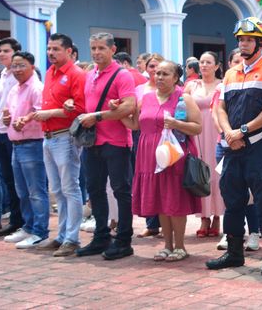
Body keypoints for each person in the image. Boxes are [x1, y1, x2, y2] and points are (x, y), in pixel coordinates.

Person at [205, 17, 262, 277]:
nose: (243, 43)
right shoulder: (230, 72)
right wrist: (229, 133)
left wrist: (243, 131)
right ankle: (234, 252)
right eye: (241, 39)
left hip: (260, 149)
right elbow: (220, 107)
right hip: (233, 148)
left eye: (249, 39)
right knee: (232, 200)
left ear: (261, 42)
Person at [125, 60, 202, 262]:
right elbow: (134, 125)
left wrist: (176, 123)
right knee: (160, 199)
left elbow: (197, 127)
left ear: (176, 78)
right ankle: (167, 245)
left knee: (174, 199)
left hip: (173, 154)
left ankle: (180, 246)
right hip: (149, 155)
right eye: (157, 73)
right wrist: (116, 111)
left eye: (165, 74)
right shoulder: (147, 98)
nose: (159, 77)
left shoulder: (183, 98)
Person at [75, 32, 137, 260]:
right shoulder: (89, 75)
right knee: (95, 190)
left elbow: (129, 107)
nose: (96, 53)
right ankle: (101, 236)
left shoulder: (123, 76)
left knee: (121, 191)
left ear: (112, 50)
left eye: (101, 48)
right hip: (92, 143)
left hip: (116, 142)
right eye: (93, 48)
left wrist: (98, 116)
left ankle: (124, 240)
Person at [31, 34, 86, 257]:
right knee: (57, 190)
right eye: (49, 49)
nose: (51, 53)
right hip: (49, 136)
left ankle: (72, 238)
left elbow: (81, 109)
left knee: (70, 188)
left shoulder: (76, 74)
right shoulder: (50, 73)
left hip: (66, 137)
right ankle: (62, 235)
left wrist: (50, 113)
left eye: (56, 49)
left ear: (69, 51)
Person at [211, 49, 262, 252]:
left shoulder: (256, 82)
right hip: (224, 145)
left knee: (250, 194)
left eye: (242, 60)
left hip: (248, 144)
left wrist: (239, 135)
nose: (239, 63)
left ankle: (253, 232)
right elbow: (218, 113)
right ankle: (232, 234)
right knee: (230, 191)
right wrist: (229, 136)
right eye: (235, 61)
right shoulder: (224, 84)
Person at [2, 52, 48, 249]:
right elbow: (9, 115)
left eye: (21, 65)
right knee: (22, 191)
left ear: (31, 66)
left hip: (33, 145)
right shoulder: (14, 89)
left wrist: (26, 119)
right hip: (17, 145)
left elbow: (41, 113)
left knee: (36, 191)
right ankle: (28, 227)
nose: (17, 70)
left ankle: (40, 231)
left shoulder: (37, 88)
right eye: (14, 66)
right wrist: (7, 121)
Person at [185, 52, 224, 239]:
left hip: (216, 132)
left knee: (216, 173)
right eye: (201, 62)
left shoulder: (222, 85)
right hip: (197, 135)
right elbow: (180, 105)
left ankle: (217, 216)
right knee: (199, 173)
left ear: (217, 66)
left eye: (209, 62)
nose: (204, 65)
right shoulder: (192, 85)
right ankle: (203, 218)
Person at [134, 53, 164, 238]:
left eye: (158, 67)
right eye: (151, 66)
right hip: (142, 136)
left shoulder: (173, 89)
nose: (154, 70)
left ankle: (167, 219)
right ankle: (151, 222)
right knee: (147, 178)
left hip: (165, 137)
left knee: (164, 178)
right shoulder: (139, 89)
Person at [0, 37, 22, 237]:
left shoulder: (20, 75)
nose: (1, 54)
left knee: (18, 180)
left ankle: (23, 221)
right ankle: (14, 220)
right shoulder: (3, 74)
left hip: (15, 132)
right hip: (0, 132)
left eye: (6, 50)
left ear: (15, 53)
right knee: (8, 178)